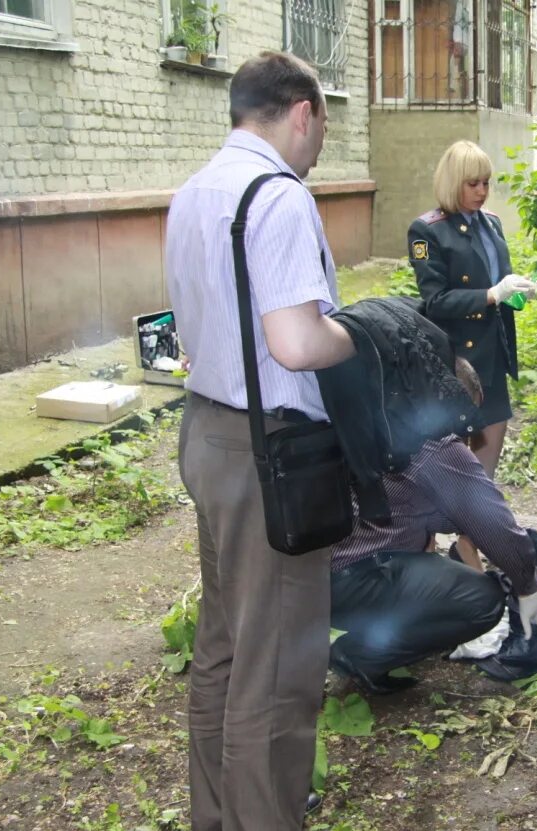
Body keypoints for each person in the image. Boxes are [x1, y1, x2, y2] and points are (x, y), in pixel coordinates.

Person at [165, 52, 355, 829]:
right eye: (322, 127)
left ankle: (215, 813)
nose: (319, 145)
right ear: (302, 113)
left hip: (207, 433)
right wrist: (359, 333)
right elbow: (297, 343)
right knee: (276, 665)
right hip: (268, 451)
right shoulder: (277, 196)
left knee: (224, 646)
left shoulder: (195, 190)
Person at [329, 358, 537, 692]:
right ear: (457, 403)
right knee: (480, 599)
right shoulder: (435, 442)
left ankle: (370, 640)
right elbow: (493, 522)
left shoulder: (378, 417)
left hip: (321, 582)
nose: (470, 429)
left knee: (435, 578)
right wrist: (527, 587)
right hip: (359, 583)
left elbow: (417, 512)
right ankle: (360, 654)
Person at [408, 140, 535, 479]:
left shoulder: (490, 222)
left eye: (486, 183)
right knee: (455, 450)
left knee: (493, 437)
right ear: (453, 182)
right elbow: (435, 301)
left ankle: (475, 529)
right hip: (459, 357)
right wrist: (493, 294)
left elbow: (498, 283)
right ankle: (451, 525)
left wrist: (519, 293)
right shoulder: (428, 231)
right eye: (472, 183)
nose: (482, 191)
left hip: (494, 350)